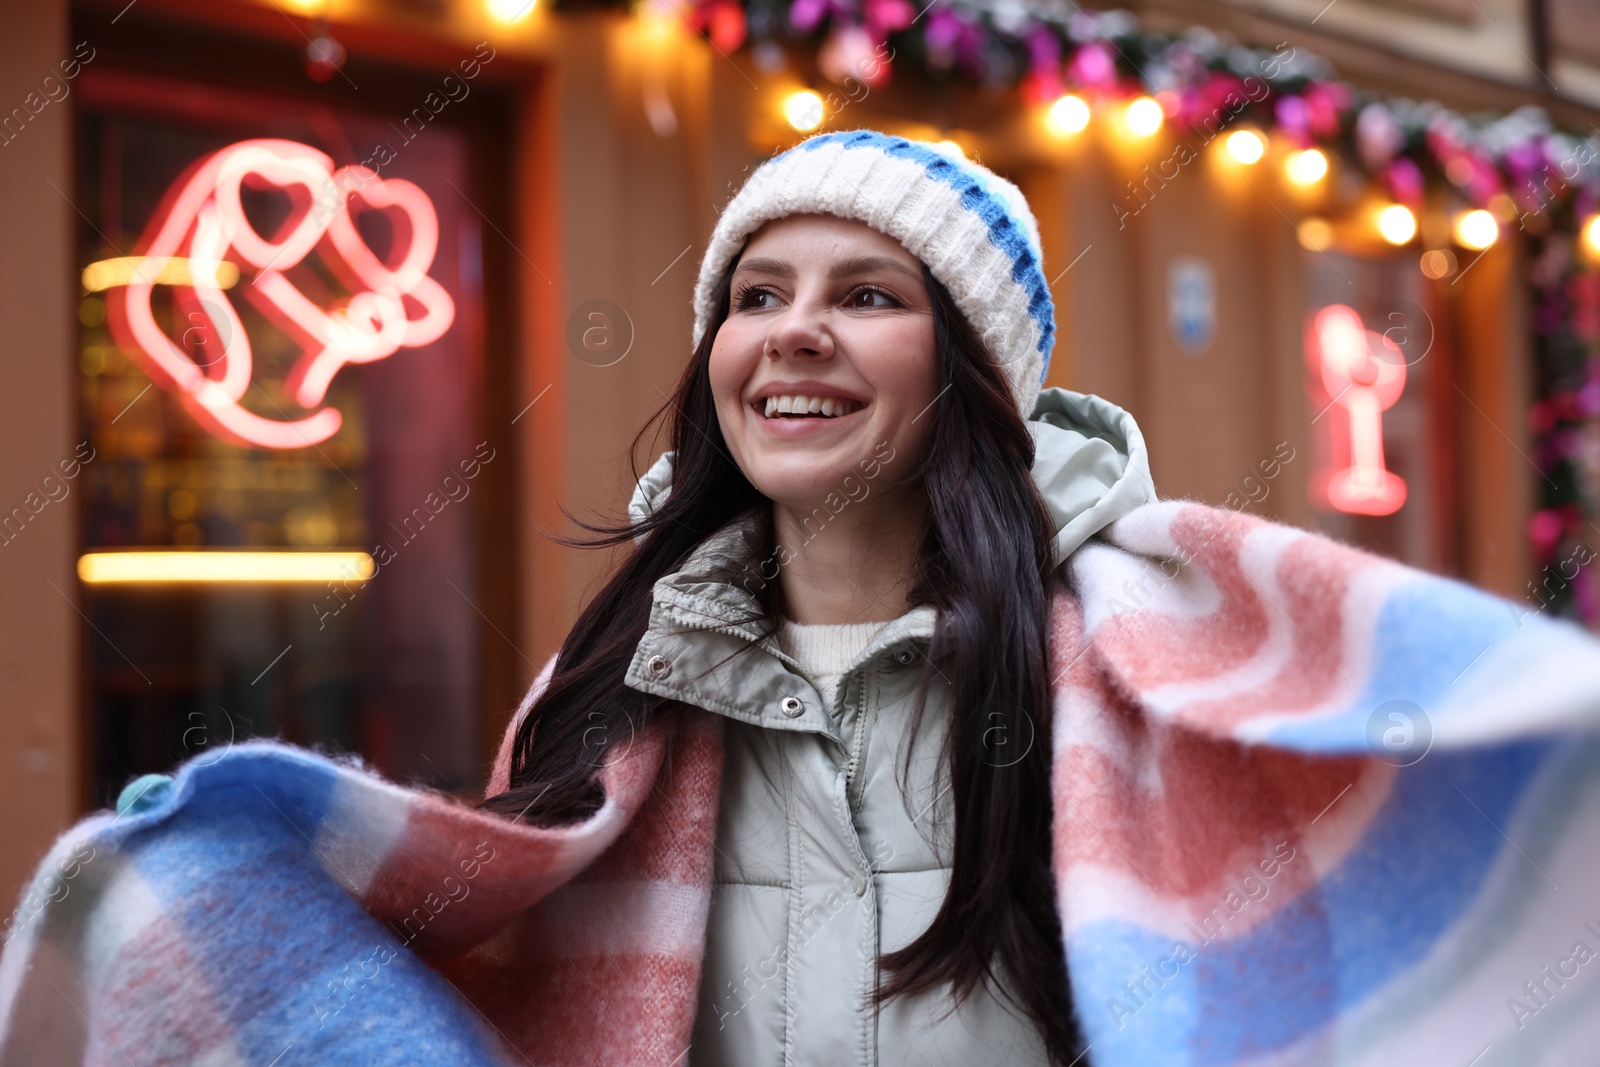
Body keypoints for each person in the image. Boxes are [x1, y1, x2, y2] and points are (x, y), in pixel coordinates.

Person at [478, 129, 1152, 1066]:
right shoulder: (600, 687)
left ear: (974, 369)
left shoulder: (1130, 678)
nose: (792, 330)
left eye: (866, 294)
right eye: (757, 296)